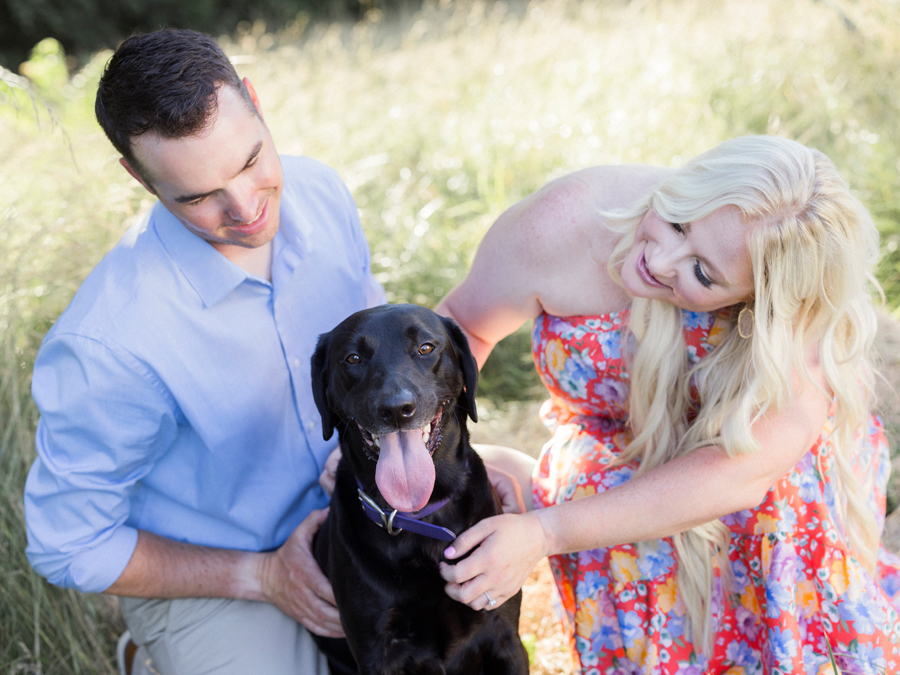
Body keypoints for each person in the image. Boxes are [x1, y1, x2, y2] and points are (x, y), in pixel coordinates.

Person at [436, 136, 900, 673]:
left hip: (739, 471)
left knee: (777, 499)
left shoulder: (796, 317)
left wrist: (546, 531)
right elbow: (464, 327)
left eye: (704, 273)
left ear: (758, 300)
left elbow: (740, 471)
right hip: (610, 447)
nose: (659, 260)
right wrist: (416, 450)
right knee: (591, 488)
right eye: (678, 220)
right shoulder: (562, 222)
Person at [23, 29, 385, 675]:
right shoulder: (109, 344)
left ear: (255, 100)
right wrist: (264, 576)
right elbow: (69, 543)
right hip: (213, 570)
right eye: (196, 196)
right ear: (138, 176)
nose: (246, 209)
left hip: (352, 510)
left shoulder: (321, 191)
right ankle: (149, 651)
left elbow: (373, 343)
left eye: (250, 162)